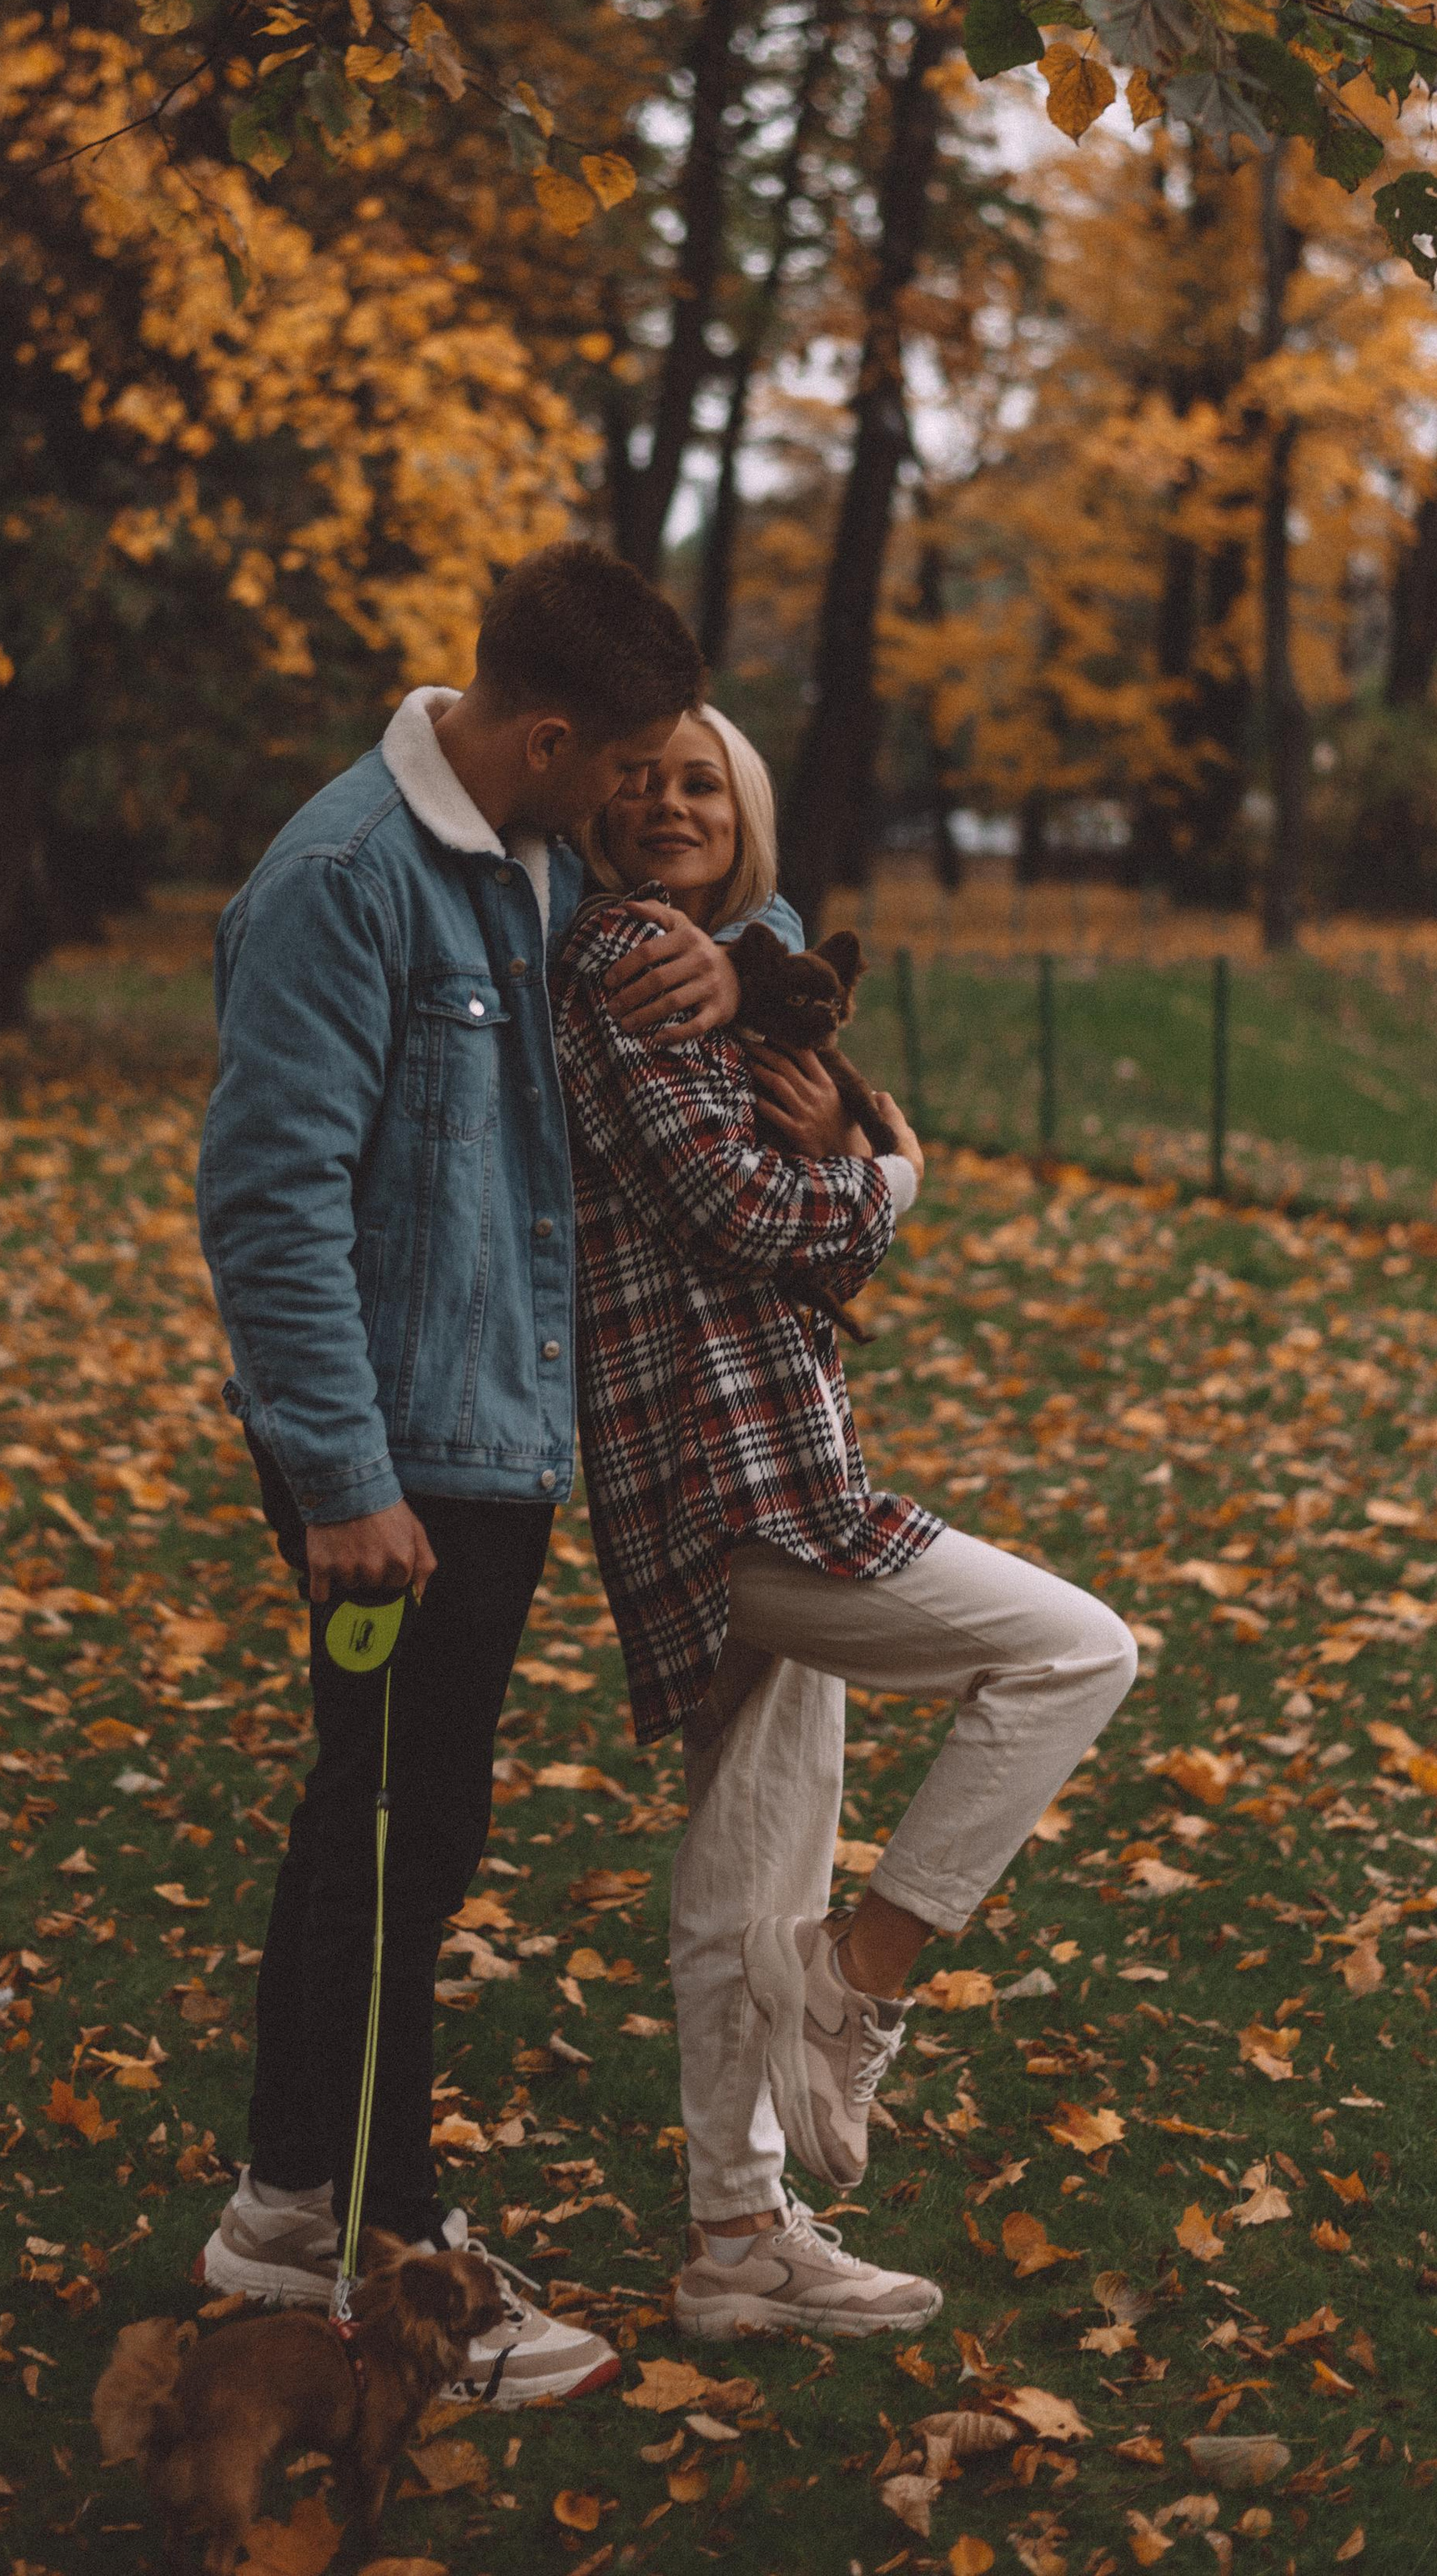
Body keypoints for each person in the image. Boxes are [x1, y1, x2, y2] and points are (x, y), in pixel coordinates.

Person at [195, 544, 762, 2406]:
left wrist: (727, 955)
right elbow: (267, 1203)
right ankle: (394, 2266)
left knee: (392, 1831)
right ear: (542, 736)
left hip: (490, 1443)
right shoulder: (345, 882)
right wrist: (346, 1484)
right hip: (397, 1464)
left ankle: (287, 2206)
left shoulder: (528, 856)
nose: (641, 807)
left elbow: (711, 912)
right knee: (386, 1845)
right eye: (622, 770)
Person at [554, 706, 1139, 2341]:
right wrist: (887, 1177)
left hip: (766, 1451)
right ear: (591, 803)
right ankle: (853, 1981)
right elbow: (739, 1210)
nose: (665, 800)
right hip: (730, 1479)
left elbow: (803, 1264)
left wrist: (839, 1171)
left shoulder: (731, 986)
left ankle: (736, 2245)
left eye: (701, 785)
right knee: (1074, 1654)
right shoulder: (623, 964)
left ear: (744, 825)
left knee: (748, 1855)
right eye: (638, 775)